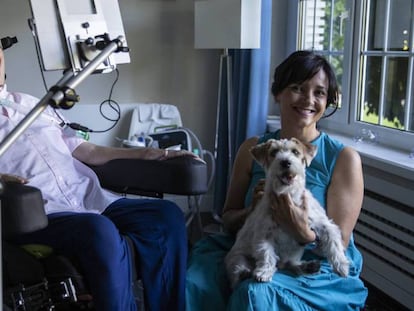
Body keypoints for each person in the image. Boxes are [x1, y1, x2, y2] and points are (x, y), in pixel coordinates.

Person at [0, 47, 199, 311]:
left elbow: (88, 151)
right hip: (40, 213)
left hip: (89, 198)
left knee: (166, 216)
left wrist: (150, 153)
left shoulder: (29, 104)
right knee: (98, 229)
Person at [186, 50, 368, 310]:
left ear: (327, 101)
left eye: (319, 92)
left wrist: (300, 229)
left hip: (314, 258)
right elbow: (227, 219)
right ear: (277, 93)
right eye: (297, 88)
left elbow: (340, 239)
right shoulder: (253, 149)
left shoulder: (343, 158)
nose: (308, 99)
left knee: (254, 292)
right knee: (192, 282)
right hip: (256, 244)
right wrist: (252, 211)